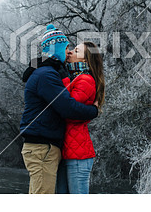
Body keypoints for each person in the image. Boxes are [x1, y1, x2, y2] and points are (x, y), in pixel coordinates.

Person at [19, 25, 99, 194]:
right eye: (67, 48)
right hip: (43, 147)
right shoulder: (47, 75)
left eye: (74, 50)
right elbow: (68, 107)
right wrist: (94, 111)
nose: (69, 52)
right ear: (58, 50)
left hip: (49, 147)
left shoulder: (50, 73)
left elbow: (67, 101)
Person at [56, 41, 105, 194]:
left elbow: (69, 109)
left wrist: (64, 78)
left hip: (78, 155)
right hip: (68, 151)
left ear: (85, 60)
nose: (70, 52)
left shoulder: (85, 80)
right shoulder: (75, 78)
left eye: (76, 51)